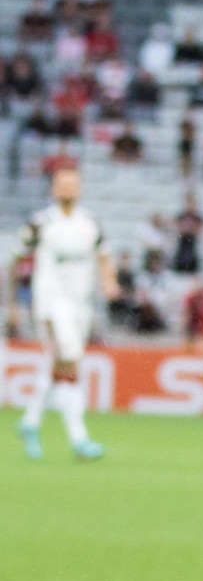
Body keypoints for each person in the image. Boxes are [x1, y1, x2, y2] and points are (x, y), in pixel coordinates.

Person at [16, 168, 119, 460]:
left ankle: (30, 421)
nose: (68, 189)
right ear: (53, 189)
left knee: (56, 364)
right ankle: (79, 438)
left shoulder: (90, 223)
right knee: (69, 363)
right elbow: (16, 257)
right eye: (63, 184)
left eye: (73, 184)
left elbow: (104, 255)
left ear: (80, 189)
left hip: (80, 305)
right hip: (50, 303)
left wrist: (109, 282)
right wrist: (13, 301)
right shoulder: (41, 223)